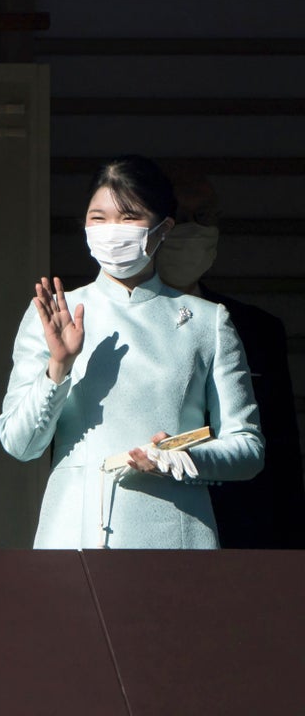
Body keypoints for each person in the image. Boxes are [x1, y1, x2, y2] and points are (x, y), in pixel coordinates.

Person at [0, 155, 264, 549]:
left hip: (177, 535)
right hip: (74, 532)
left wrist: (182, 458)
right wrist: (58, 368)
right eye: (98, 218)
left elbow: (248, 448)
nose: (112, 231)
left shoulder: (208, 322)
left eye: (129, 217)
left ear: (163, 229)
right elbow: (20, 444)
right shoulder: (57, 313)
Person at [157, 174, 305, 548]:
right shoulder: (106, 325)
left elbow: (281, 449)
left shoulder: (257, 329)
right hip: (156, 520)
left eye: (203, 216)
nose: (192, 229)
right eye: (179, 215)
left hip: (245, 527)